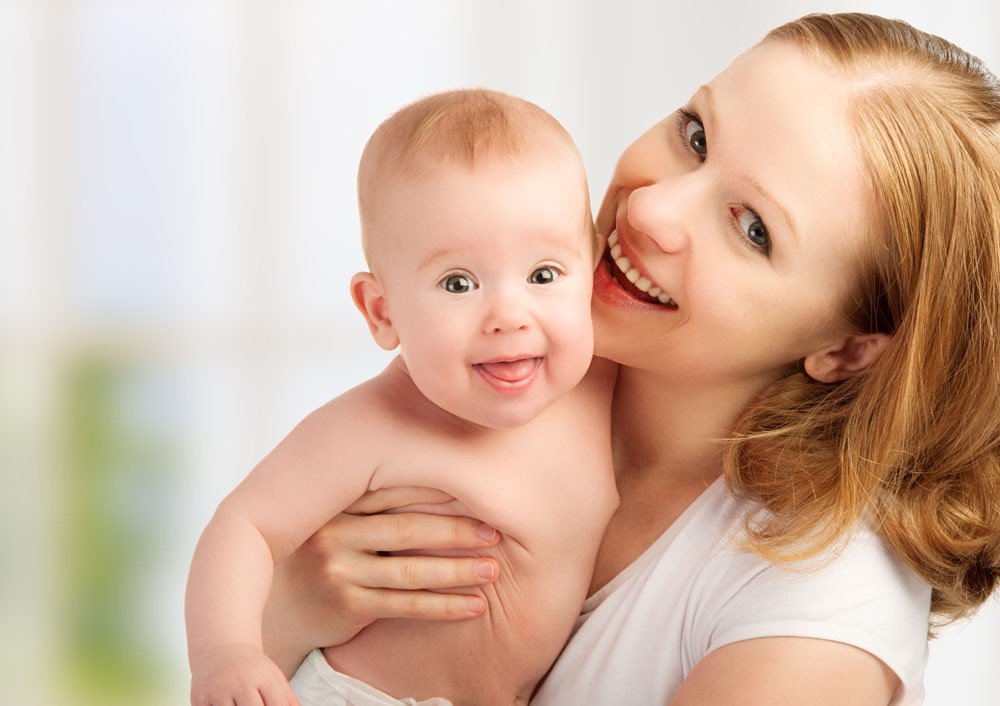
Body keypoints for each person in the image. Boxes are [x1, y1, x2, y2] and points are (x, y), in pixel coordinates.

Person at [261, 13, 1000, 706]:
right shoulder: (510, 354)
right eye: (696, 135)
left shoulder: (816, 620)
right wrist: (286, 612)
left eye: (751, 229)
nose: (649, 210)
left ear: (846, 349)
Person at [185, 88, 620, 706]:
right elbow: (244, 527)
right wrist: (226, 653)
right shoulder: (372, 425)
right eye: (458, 282)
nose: (509, 315)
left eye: (544, 275)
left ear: (593, 268)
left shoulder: (604, 384)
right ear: (382, 311)